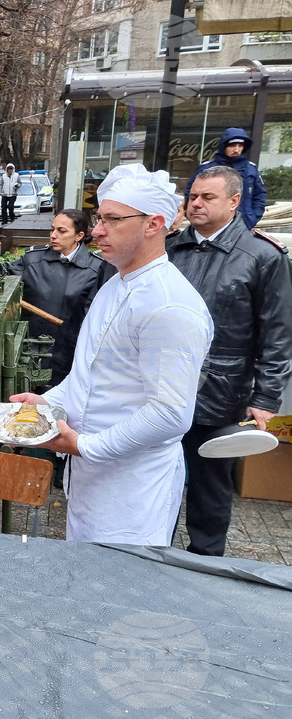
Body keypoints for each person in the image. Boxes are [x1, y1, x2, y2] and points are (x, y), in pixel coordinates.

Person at [12, 163, 213, 545]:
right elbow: (91, 375)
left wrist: (85, 446)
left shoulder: (169, 307)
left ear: (154, 224)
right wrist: (45, 401)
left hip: (132, 494)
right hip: (91, 477)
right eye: (100, 217)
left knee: (117, 592)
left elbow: (170, 414)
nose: (98, 230)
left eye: (112, 220)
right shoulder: (116, 283)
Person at [169, 165, 292, 556]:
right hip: (165, 385)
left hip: (223, 390)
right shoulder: (170, 249)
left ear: (235, 201)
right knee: (158, 474)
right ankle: (153, 549)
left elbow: (278, 332)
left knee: (211, 481)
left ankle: (206, 559)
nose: (197, 203)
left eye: (209, 197)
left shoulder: (262, 256)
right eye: (193, 196)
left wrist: (267, 397)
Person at [2, 209, 114, 390]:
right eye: (52, 229)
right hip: (29, 350)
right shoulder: (33, 260)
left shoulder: (97, 268)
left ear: (79, 235)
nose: (53, 235)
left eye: (62, 231)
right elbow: (1, 277)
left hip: (70, 352)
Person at [184, 128, 267, 230]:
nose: (236, 150)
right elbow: (190, 194)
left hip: (244, 224)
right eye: (232, 145)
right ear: (224, 146)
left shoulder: (251, 168)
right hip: (211, 224)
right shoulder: (206, 168)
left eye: (240, 146)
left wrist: (253, 217)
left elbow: (259, 195)